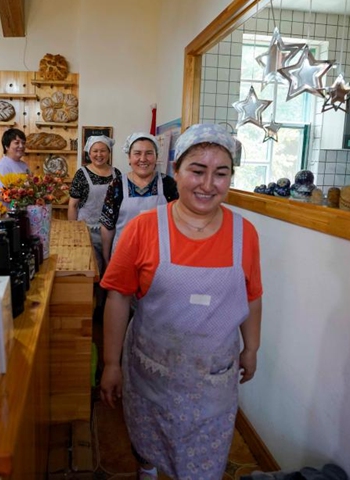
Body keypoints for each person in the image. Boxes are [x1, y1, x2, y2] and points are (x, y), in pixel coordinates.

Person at [99, 124, 263, 480]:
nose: (208, 185)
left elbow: (252, 296)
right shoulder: (143, 230)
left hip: (213, 377)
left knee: (205, 456)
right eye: (197, 171)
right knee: (146, 439)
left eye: (221, 174)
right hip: (151, 370)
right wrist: (111, 363)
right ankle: (147, 469)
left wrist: (252, 347)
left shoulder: (244, 234)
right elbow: (117, 297)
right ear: (176, 172)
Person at [99, 132, 178, 264]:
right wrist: (107, 259)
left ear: (156, 156)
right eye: (137, 153)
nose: (143, 159)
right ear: (129, 158)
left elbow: (178, 224)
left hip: (159, 258)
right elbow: (108, 226)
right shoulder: (117, 185)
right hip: (123, 256)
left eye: (149, 153)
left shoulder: (168, 184)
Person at [68, 135, 120, 276]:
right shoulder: (81, 174)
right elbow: (73, 205)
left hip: (111, 232)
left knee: (110, 271)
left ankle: (106, 298)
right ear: (89, 153)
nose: (99, 155)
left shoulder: (117, 174)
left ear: (109, 153)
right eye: (95, 151)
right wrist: (74, 233)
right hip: (87, 231)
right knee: (91, 271)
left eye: (103, 151)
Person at [0, 128, 28, 205]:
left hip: (23, 213)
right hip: (7, 214)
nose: (21, 146)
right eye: (17, 143)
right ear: (6, 146)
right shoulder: (1, 166)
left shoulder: (24, 165)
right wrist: (18, 196)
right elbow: (1, 195)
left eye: (23, 143)